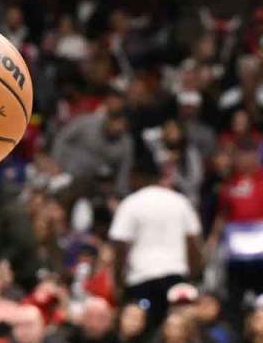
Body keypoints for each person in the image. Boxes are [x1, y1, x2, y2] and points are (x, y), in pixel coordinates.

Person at [109, 155, 202, 332]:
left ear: (136, 176)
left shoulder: (131, 204)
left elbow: (120, 246)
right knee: (176, 332)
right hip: (176, 277)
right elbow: (193, 242)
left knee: (144, 333)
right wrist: (194, 276)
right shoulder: (179, 201)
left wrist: (118, 281)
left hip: (141, 280)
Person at [208, 138, 263, 324]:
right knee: (234, 298)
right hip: (235, 255)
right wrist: (213, 239)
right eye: (240, 155)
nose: (243, 160)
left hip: (260, 252)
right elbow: (222, 215)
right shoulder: (229, 185)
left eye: (248, 155)